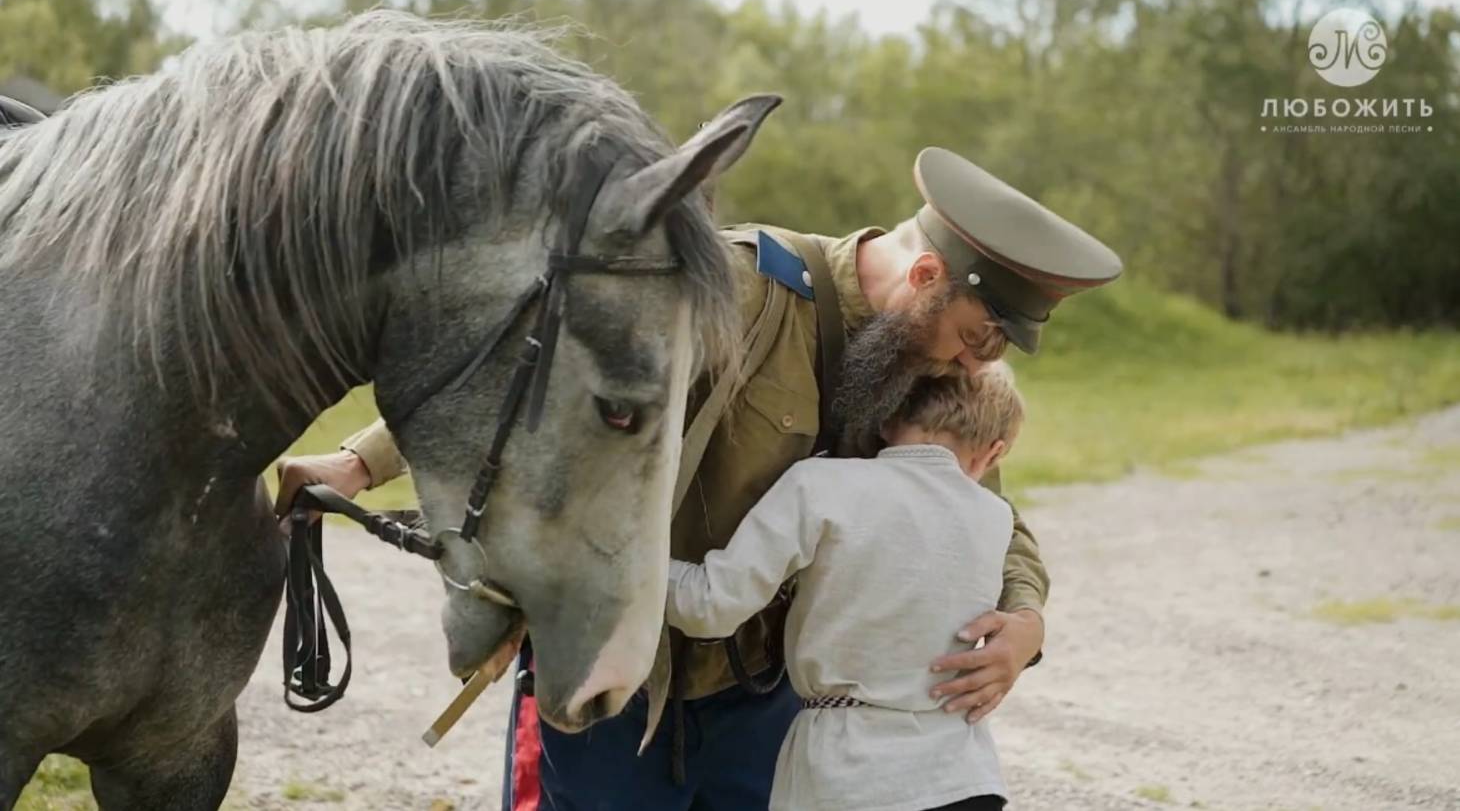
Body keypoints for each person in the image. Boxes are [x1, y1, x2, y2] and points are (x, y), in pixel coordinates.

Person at [274, 146, 1124, 810]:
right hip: (617, 673)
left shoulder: (936, 366)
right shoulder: (743, 286)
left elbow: (989, 514)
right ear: (929, 277)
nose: (981, 361)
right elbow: (542, 364)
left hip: (769, 701)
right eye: (982, 334)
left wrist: (1024, 623)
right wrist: (358, 462)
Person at [667, 365, 1025, 811]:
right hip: (961, 777)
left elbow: (710, 605)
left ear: (885, 421)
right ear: (992, 453)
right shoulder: (995, 518)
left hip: (848, 777)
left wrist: (624, 570)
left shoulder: (820, 487)